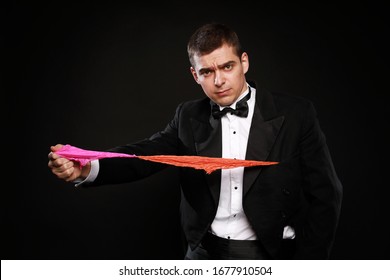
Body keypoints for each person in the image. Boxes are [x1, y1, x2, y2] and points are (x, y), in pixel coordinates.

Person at [48, 22, 343, 260]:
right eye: (207, 72)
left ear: (244, 62)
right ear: (195, 75)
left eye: (227, 67)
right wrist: (87, 168)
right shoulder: (188, 115)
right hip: (202, 254)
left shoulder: (295, 113)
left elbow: (326, 193)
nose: (219, 81)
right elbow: (147, 156)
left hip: (272, 256)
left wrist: (310, 264)